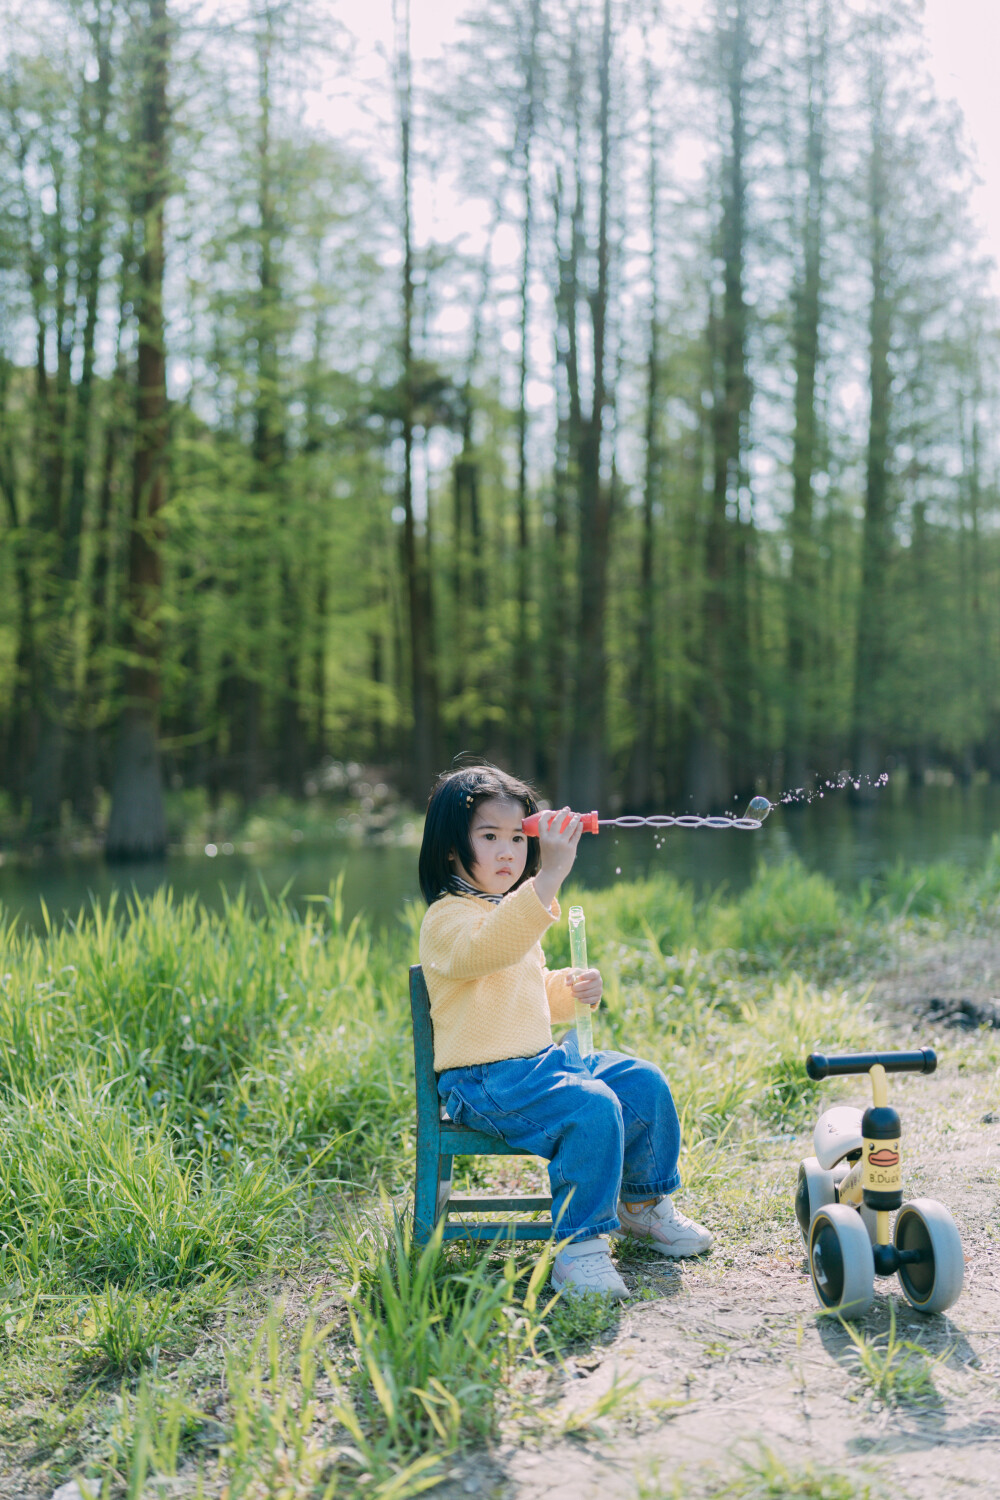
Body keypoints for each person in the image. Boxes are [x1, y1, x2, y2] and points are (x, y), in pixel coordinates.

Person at [418, 762, 712, 1299]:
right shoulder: (447, 919)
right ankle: (578, 1251)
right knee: (592, 1106)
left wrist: (567, 988)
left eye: (517, 838)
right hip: (483, 1079)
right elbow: (486, 953)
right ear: (450, 850)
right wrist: (547, 877)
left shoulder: (506, 912)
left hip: (534, 1063)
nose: (509, 852)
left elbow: (523, 988)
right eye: (489, 837)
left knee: (642, 1082)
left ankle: (642, 1206)